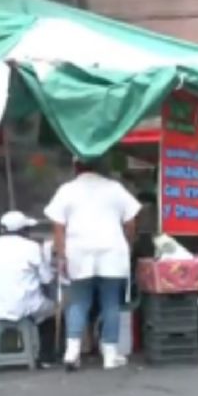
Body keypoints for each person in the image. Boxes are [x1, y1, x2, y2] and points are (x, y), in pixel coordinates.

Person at [45, 158, 140, 371]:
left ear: (76, 168)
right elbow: (131, 223)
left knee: (78, 301)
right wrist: (128, 244)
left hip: (78, 252)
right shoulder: (115, 189)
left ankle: (72, 352)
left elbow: (58, 228)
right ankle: (110, 355)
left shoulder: (66, 190)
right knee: (111, 303)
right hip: (112, 251)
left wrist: (61, 255)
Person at [0, 211, 57, 367]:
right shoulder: (31, 247)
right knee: (51, 311)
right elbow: (47, 278)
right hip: (21, 307)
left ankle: (9, 350)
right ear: (23, 230)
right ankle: (46, 357)